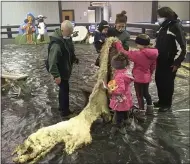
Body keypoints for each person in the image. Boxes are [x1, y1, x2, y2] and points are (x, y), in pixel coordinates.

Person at [114, 34, 158, 115]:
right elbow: (153, 66)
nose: (136, 45)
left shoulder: (138, 54)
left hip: (138, 78)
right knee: (146, 93)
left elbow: (123, 52)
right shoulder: (153, 54)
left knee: (139, 95)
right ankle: (150, 108)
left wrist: (118, 43)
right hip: (147, 78)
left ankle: (141, 111)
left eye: (137, 44)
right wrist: (149, 75)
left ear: (141, 44)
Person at [154, 7, 186, 112]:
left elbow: (182, 48)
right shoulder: (162, 27)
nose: (158, 18)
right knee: (159, 80)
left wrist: (176, 63)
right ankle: (161, 101)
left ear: (166, 16)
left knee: (167, 83)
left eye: (159, 16)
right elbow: (157, 41)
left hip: (170, 62)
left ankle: (167, 104)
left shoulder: (175, 27)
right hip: (160, 59)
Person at [48, 20, 79, 116]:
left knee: (63, 89)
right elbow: (52, 62)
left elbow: (69, 50)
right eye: (68, 33)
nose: (70, 35)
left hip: (65, 68)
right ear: (62, 30)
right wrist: (56, 75)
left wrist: (74, 58)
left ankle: (61, 107)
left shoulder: (66, 37)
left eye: (71, 33)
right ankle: (65, 112)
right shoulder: (56, 45)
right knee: (65, 90)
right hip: (59, 70)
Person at [107, 54, 133, 130]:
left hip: (120, 98)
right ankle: (126, 120)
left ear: (115, 65)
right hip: (126, 95)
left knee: (119, 112)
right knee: (125, 109)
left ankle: (119, 126)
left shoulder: (119, 76)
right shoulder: (126, 72)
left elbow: (120, 89)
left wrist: (111, 91)